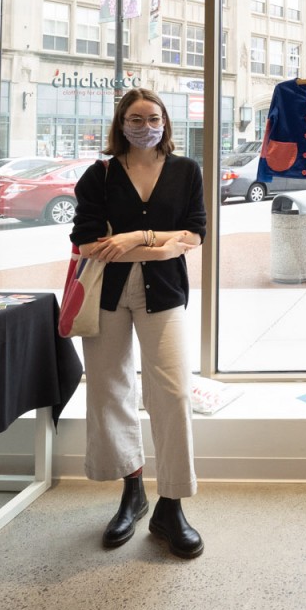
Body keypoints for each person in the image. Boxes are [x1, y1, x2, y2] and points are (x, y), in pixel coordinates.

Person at [70, 88, 207, 558]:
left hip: (163, 293)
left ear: (166, 123)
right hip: (106, 295)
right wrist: (161, 245)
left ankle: (171, 505)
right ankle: (132, 491)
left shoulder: (187, 170)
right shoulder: (100, 174)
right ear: (120, 122)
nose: (145, 125)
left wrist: (131, 237)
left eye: (154, 118)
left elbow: (195, 233)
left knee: (172, 392)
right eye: (135, 118)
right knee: (111, 390)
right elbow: (87, 243)